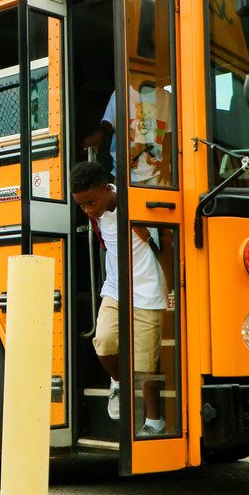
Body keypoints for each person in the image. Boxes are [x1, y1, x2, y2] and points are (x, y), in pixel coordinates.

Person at [70, 160, 167, 435]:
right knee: (103, 342)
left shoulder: (134, 202)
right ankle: (118, 381)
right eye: (82, 206)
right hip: (115, 288)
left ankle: (154, 422)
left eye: (91, 202)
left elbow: (162, 245)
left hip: (147, 289)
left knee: (146, 365)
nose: (88, 211)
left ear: (106, 189)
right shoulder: (98, 216)